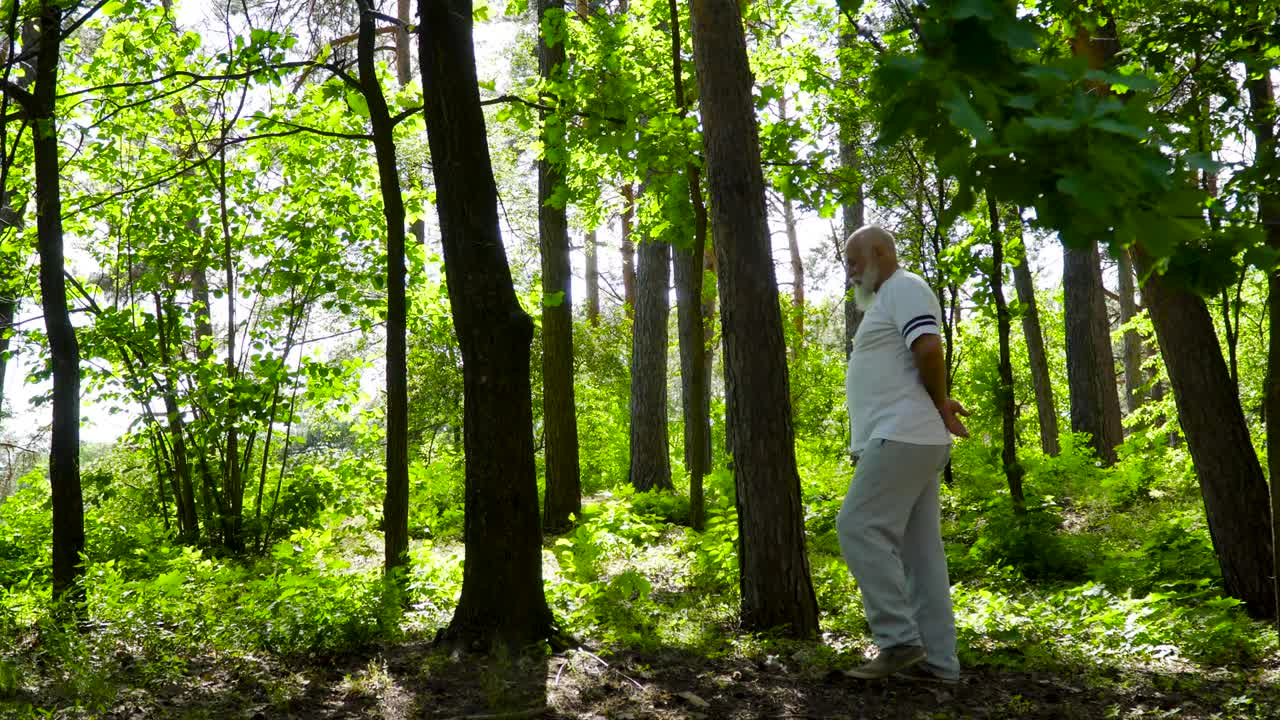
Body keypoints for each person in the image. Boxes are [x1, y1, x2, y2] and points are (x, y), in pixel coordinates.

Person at [838, 225, 969, 683]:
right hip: (911, 437)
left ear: (879, 253)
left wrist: (939, 402)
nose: (850, 273)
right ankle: (940, 664)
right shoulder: (890, 298)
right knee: (920, 555)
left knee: (856, 525)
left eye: (854, 261)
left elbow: (929, 348)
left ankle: (898, 641)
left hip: (904, 434)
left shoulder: (904, 287)